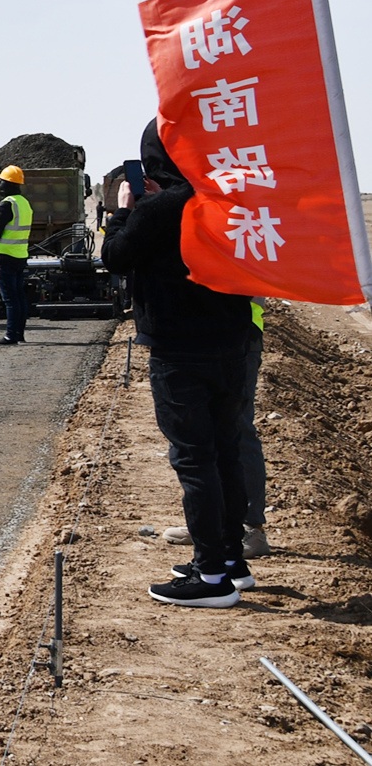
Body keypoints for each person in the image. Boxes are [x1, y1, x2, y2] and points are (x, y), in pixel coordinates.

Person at [103, 118, 258, 607]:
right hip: (232, 341)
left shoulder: (161, 207)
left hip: (179, 348)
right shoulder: (226, 197)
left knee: (193, 458)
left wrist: (125, 212)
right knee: (226, 451)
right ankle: (232, 560)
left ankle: (210, 576)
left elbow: (116, 257)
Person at [164, 301, 273, 559]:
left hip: (238, 330)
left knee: (237, 428)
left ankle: (250, 528)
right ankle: (210, 524)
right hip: (197, 332)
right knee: (199, 430)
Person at [0, 166, 33, 346]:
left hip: (5, 257)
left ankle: (11, 335)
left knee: (10, 299)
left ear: (8, 184)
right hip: (20, 256)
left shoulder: (7, 204)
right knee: (19, 297)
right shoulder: (24, 203)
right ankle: (19, 333)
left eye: (1, 181)